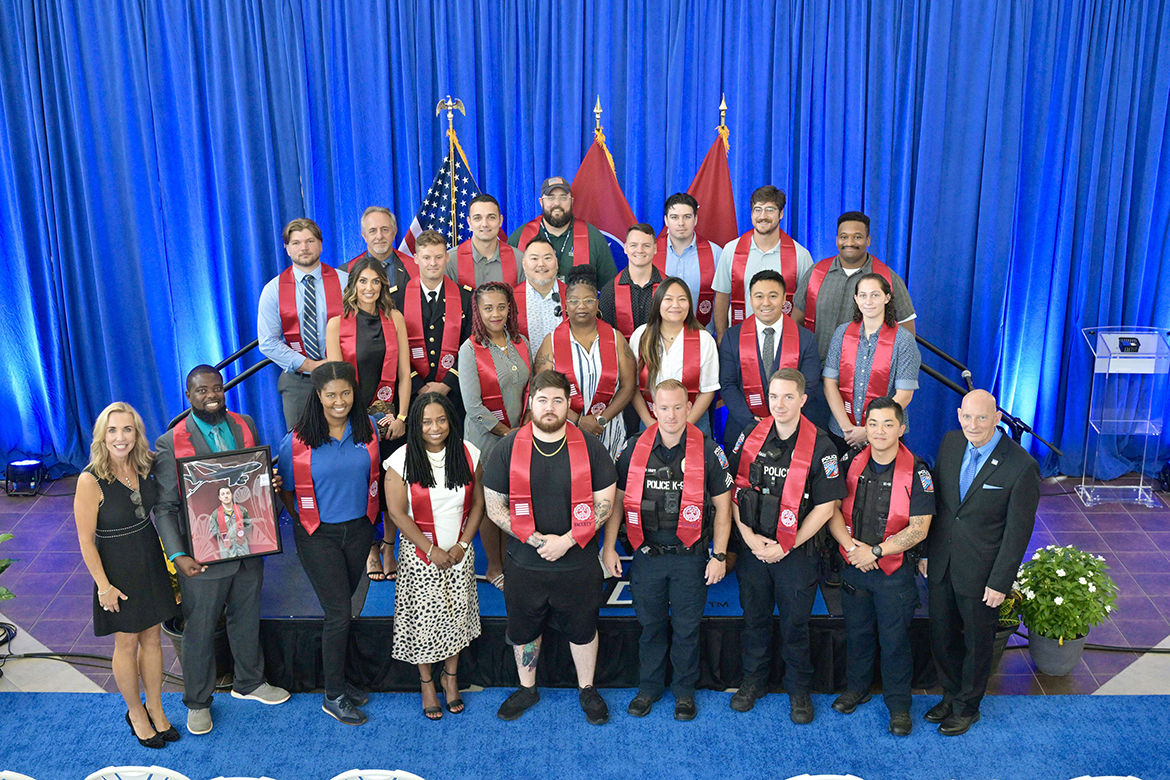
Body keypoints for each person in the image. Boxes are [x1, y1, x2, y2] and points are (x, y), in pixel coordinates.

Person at [152, 366, 289, 735]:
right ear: (188, 396)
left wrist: (268, 485)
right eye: (202, 391)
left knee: (246, 616)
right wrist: (177, 555)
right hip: (203, 553)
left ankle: (250, 682)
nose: (211, 395)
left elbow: (252, 478)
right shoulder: (171, 442)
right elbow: (164, 507)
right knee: (199, 628)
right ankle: (198, 702)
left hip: (248, 544)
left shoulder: (245, 424)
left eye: (216, 388)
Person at [481, 370, 618, 724]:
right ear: (530, 403)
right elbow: (494, 505)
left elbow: (605, 502)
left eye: (558, 400)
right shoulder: (508, 447)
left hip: (577, 562)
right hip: (525, 562)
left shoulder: (591, 447)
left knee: (583, 629)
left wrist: (567, 541)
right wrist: (536, 540)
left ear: (569, 404)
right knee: (524, 630)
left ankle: (587, 689)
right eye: (542, 400)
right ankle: (527, 688)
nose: (550, 407)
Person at [604, 380, 733, 720]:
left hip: (690, 557)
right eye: (664, 408)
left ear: (689, 408)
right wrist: (609, 546)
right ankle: (649, 688)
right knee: (650, 627)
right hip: (647, 556)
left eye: (678, 407)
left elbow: (723, 507)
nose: (671, 415)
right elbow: (617, 501)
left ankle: (684, 693)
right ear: (654, 409)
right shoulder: (634, 448)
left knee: (687, 630)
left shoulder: (708, 450)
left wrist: (719, 555)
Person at [728, 369, 845, 723]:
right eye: (774, 396)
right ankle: (754, 681)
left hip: (796, 553)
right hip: (754, 547)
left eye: (788, 397)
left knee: (795, 625)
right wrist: (748, 538)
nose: (779, 404)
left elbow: (826, 507)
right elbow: (735, 492)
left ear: (803, 400)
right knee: (754, 620)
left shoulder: (822, 445)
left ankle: (798, 689)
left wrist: (786, 545)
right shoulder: (750, 435)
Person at [924, 389, 1039, 736]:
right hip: (942, 562)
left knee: (977, 644)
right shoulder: (951, 442)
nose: (972, 425)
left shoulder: (1021, 466)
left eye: (982, 417)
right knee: (942, 637)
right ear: (959, 414)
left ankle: (967, 707)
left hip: (982, 573)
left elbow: (1018, 533)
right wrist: (926, 553)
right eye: (967, 416)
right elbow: (939, 506)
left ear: (997, 418)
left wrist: (1000, 581)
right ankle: (950, 696)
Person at [277, 362, 382, 726]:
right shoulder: (295, 442)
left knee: (343, 609)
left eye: (346, 393)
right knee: (338, 612)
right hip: (318, 536)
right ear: (318, 396)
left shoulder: (368, 429)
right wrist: (308, 523)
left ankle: (341, 680)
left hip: (359, 531)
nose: (340, 401)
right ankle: (333, 695)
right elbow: (287, 492)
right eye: (331, 394)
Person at [826, 397, 934, 736]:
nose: (879, 431)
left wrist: (875, 551)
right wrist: (851, 548)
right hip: (853, 564)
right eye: (873, 424)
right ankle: (856, 689)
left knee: (894, 641)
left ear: (902, 428)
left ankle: (899, 706)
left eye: (888, 424)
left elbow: (919, 528)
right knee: (857, 634)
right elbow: (830, 510)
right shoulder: (849, 461)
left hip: (894, 573)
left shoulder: (918, 470)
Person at [75, 402, 180, 749]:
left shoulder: (144, 464)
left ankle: (155, 707)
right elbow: (85, 540)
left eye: (127, 429)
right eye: (112, 430)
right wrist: (103, 586)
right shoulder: (90, 480)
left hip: (149, 556)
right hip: (116, 567)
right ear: (102, 436)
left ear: (136, 434)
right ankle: (135, 713)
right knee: (127, 642)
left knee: (153, 637)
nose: (120, 437)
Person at [383, 392, 484, 720]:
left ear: (451, 421)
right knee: (424, 623)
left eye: (441, 420)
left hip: (459, 554)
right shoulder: (400, 461)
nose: (435, 427)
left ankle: (450, 679)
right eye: (426, 422)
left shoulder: (469, 453)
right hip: (420, 556)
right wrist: (431, 550)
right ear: (416, 425)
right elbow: (397, 513)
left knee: (456, 619)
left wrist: (462, 546)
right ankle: (427, 682)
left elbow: (478, 504)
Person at [325, 255, 412, 582]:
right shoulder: (337, 324)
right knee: (363, 486)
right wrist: (354, 422)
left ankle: (389, 546)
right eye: (363, 281)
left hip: (391, 421)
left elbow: (404, 374)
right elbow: (336, 383)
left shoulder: (395, 318)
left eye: (376, 281)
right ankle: (370, 549)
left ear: (383, 285)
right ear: (353, 285)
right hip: (354, 422)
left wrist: (402, 416)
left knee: (391, 486)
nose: (369, 287)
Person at [457, 282, 531, 588]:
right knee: (490, 503)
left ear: (510, 308)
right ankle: (494, 567)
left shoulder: (521, 342)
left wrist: (524, 427)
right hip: (485, 439)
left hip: (518, 436)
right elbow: (473, 406)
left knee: (512, 502)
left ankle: (511, 561)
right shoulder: (469, 349)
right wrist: (507, 433)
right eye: (488, 308)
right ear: (478, 311)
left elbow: (529, 390)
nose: (496, 314)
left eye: (501, 307)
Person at [533, 266, 637, 456]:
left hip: (608, 432)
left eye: (588, 300)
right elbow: (543, 391)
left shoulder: (616, 339)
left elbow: (628, 386)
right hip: (565, 431)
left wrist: (602, 420)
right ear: (566, 305)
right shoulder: (551, 342)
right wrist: (579, 420)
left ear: (597, 304)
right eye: (574, 301)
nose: (581, 306)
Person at [257, 218, 349, 429]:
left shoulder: (345, 282)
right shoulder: (273, 290)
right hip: (298, 381)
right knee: (301, 443)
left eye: (310, 241)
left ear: (320, 244)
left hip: (342, 376)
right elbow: (268, 342)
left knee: (346, 438)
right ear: (287, 248)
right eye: (296, 243)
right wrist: (312, 366)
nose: (304, 248)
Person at [792, 211, 917, 363]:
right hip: (815, 368)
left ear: (868, 240)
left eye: (857, 237)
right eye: (844, 237)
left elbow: (907, 332)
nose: (850, 242)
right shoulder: (815, 273)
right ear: (837, 240)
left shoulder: (887, 279)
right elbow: (796, 322)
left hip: (863, 372)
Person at [719, 270, 822, 452]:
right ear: (750, 299)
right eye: (759, 296)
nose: (766, 303)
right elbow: (728, 385)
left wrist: (781, 420)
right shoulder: (732, 336)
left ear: (784, 299)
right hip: (743, 429)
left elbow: (809, 387)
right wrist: (751, 422)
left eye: (773, 296)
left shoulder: (805, 338)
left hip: (791, 431)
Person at [823, 273, 922, 455]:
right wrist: (847, 428)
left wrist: (869, 430)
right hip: (842, 432)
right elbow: (830, 383)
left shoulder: (903, 340)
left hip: (884, 435)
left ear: (887, 297)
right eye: (863, 295)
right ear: (856, 299)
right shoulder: (842, 334)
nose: (868, 301)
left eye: (875, 295)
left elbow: (904, 395)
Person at [712, 186, 814, 343]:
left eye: (770, 210)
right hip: (739, 341)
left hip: (784, 343)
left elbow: (806, 304)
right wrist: (721, 338)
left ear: (781, 214)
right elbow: (721, 297)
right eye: (757, 209)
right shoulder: (731, 250)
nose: (763, 216)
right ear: (752, 214)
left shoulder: (800, 255)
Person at [629, 277, 720, 436]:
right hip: (651, 421)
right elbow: (633, 386)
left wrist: (684, 425)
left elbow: (708, 390)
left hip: (694, 421)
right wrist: (649, 422)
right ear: (658, 303)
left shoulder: (704, 339)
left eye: (682, 299)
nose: (676, 305)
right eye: (668, 299)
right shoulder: (641, 335)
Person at [402, 230, 472, 417]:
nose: (433, 263)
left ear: (447, 258)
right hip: (412, 393)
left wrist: (446, 384)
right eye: (426, 257)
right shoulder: (397, 298)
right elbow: (395, 351)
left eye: (438, 257)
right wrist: (418, 386)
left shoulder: (466, 297)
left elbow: (470, 347)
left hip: (454, 393)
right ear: (416, 258)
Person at [508, 176, 617, 287]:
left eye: (563, 198)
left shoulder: (592, 236)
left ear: (571, 201)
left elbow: (609, 287)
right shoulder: (520, 237)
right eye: (551, 198)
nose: (557, 203)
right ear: (541, 202)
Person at [654, 193, 722, 326]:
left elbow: (723, 299)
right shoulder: (652, 253)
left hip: (703, 333)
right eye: (674, 217)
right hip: (660, 333)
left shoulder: (715, 253)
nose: (681, 223)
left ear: (695, 219)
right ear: (666, 220)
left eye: (687, 217)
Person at [600, 223, 665, 340]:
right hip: (623, 351)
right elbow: (606, 336)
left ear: (655, 249)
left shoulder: (669, 288)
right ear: (626, 248)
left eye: (646, 245)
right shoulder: (610, 291)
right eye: (634, 245)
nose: (640, 250)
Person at [446, 194, 525, 289]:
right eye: (477, 218)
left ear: (500, 221)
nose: (485, 224)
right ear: (469, 222)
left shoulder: (519, 260)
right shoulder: (450, 261)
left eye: (491, 217)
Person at [347, 206, 413, 310]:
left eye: (385, 230)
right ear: (364, 236)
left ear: (394, 233)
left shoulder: (414, 268)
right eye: (372, 231)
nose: (379, 236)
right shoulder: (346, 271)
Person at [511, 237, 568, 357]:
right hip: (525, 367)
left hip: (565, 366)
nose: (541, 264)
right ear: (524, 264)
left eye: (547, 258)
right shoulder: (510, 300)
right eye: (534, 259)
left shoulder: (571, 296)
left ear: (556, 263)